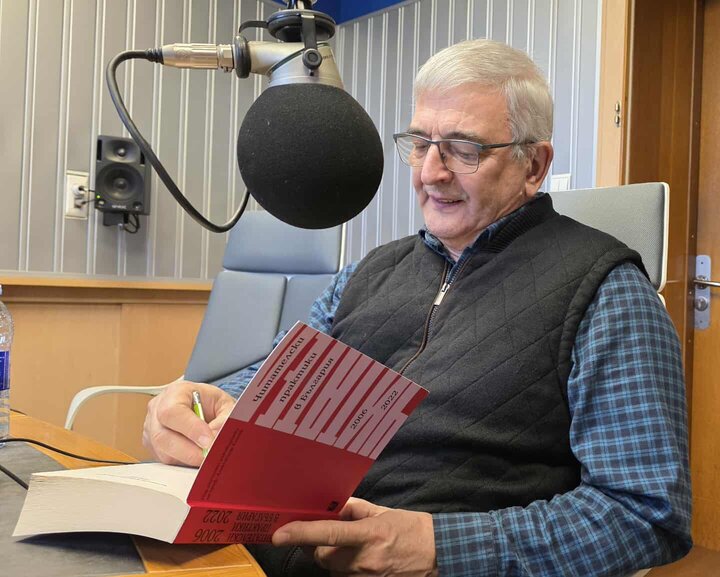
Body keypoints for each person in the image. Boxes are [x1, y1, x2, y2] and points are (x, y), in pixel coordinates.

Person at [142, 39, 691, 577]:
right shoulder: (366, 273)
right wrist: (205, 405)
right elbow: (274, 383)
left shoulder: (606, 292)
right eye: (420, 143)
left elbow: (645, 514)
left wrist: (439, 548)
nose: (430, 172)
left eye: (464, 148)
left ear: (534, 164)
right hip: (250, 553)